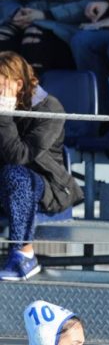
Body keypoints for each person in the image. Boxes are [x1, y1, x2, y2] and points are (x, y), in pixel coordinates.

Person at [0, 51, 83, 281]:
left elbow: (19, 156)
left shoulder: (50, 109)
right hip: (7, 182)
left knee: (15, 175)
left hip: (46, 184)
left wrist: (4, 116)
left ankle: (24, 255)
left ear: (18, 84)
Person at [0, 0, 108, 72]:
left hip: (66, 25)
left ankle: (33, 82)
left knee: (34, 37)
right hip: (26, 18)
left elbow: (94, 3)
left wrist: (46, 14)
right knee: (3, 36)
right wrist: (16, 12)